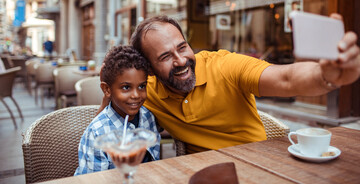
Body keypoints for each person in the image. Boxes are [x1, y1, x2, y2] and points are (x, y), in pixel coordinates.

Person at [98, 14, 360, 154]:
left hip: (259, 163)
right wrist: (109, 89)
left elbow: (286, 78)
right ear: (150, 69)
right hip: (205, 173)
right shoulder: (146, 92)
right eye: (165, 56)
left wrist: (326, 76)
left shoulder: (224, 66)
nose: (181, 61)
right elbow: (106, 123)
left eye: (182, 47)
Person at [75, 45, 161, 175]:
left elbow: (154, 162)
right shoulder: (97, 133)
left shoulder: (148, 117)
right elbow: (92, 180)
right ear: (107, 90)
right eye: (126, 87)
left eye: (142, 86)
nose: (136, 95)